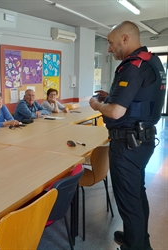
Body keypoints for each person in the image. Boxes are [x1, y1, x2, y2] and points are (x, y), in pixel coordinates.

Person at [89, 21, 166, 250]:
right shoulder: (152, 61)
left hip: (127, 145)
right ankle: (139, 239)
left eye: (111, 43)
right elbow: (139, 96)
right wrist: (110, 94)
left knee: (129, 201)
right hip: (143, 140)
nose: (109, 49)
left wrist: (96, 104)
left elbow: (115, 111)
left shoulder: (132, 66)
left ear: (125, 38)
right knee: (137, 195)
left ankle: (135, 246)